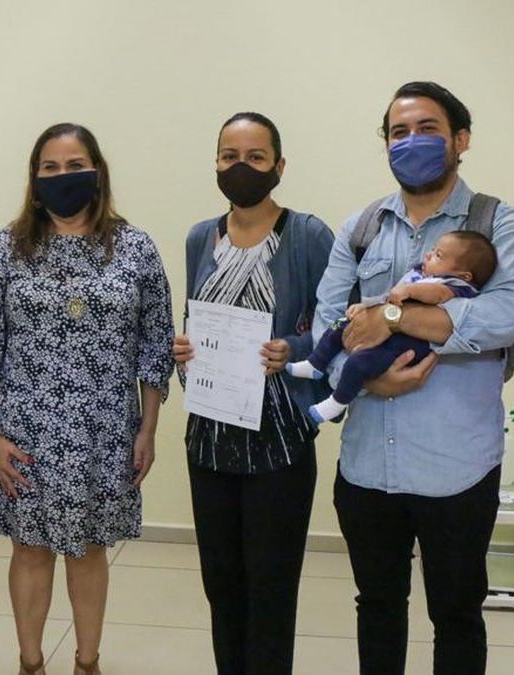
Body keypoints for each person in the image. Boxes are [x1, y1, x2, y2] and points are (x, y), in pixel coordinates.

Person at [313, 81, 514, 674]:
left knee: (456, 614)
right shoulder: (361, 226)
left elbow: (503, 317)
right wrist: (361, 376)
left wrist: (390, 318)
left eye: (428, 129)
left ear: (461, 139)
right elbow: (329, 320)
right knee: (377, 606)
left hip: (458, 467)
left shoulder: (497, 222)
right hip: (367, 464)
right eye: (399, 132)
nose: (412, 141)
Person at [0, 123, 174, 675]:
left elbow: (154, 347)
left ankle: (86, 662)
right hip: (21, 434)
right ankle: (30, 664)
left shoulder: (136, 249)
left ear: (98, 172)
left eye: (75, 165)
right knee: (29, 549)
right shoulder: (5, 249)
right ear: (34, 180)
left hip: (106, 432)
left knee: (89, 548)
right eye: (49, 168)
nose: (62, 176)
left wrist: (147, 431)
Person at [172, 112, 334, 675]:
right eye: (229, 157)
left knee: (271, 591)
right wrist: (185, 352)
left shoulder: (308, 235)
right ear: (216, 163)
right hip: (210, 440)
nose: (241, 167)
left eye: (256, 157)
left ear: (279, 166)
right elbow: (196, 318)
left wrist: (294, 348)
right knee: (222, 586)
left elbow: (339, 330)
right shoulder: (201, 237)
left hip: (279, 443)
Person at [288, 230, 497, 423]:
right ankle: (315, 363)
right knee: (338, 325)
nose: (428, 255)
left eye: (438, 255)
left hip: (405, 345)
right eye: (433, 250)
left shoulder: (453, 286)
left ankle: (336, 403)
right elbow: (388, 298)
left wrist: (409, 291)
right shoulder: (422, 274)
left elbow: (436, 295)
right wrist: (366, 306)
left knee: (357, 362)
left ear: (464, 275)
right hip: (382, 332)